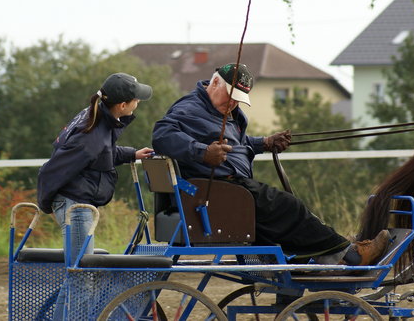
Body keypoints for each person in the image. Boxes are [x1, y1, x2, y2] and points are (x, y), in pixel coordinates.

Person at [152, 63, 389, 266]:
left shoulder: (218, 109)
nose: (234, 104)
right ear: (214, 84)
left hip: (226, 190)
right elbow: (162, 136)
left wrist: (264, 143)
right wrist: (202, 152)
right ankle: (352, 255)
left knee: (280, 219)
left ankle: (316, 262)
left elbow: (237, 144)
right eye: (231, 97)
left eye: (239, 100)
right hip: (214, 193)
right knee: (289, 206)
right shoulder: (189, 109)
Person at [37, 73, 154, 320]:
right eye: (136, 99)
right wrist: (47, 202)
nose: (138, 103)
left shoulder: (98, 118)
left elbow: (102, 154)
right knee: (82, 277)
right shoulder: (91, 135)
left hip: (76, 204)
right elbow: (56, 167)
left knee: (76, 274)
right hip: (76, 207)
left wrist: (132, 154)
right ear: (123, 105)